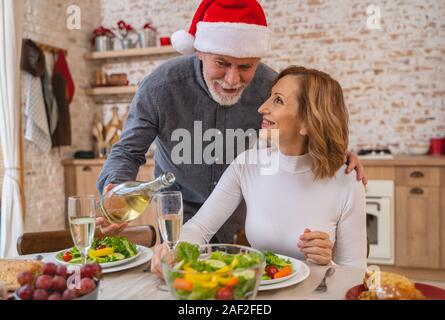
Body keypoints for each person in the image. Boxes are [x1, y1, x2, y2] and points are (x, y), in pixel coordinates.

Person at [96, 0, 367, 243]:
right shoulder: (160, 87)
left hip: (244, 218)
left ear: (257, 60)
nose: (232, 79)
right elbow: (127, 151)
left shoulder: (270, 89)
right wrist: (115, 188)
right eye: (222, 63)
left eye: (246, 67)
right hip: (177, 214)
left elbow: (296, 135)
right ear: (199, 51)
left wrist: (331, 150)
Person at [151, 66, 367, 277]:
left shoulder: (347, 179)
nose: (262, 107)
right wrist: (175, 249)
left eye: (278, 100)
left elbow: (356, 272)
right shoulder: (248, 164)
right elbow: (200, 227)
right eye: (270, 97)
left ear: (308, 122)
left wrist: (327, 264)